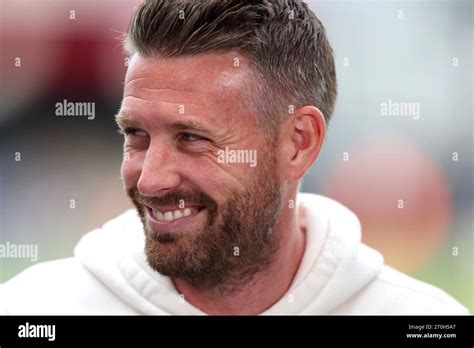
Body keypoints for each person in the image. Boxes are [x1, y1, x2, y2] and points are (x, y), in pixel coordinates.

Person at [0, 0, 468, 315]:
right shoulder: (33, 310)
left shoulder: (426, 319)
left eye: (192, 138)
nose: (150, 181)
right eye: (137, 135)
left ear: (299, 142)